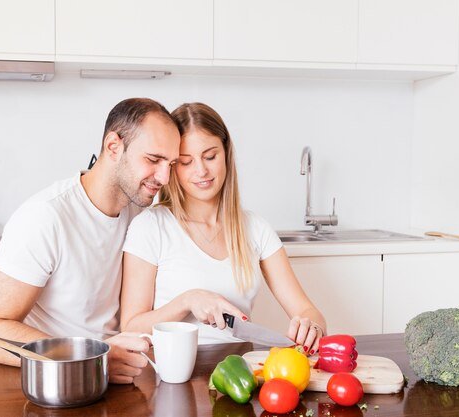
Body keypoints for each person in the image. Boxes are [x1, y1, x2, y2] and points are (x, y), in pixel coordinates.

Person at [0, 98, 181, 383]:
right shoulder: (46, 216)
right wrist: (93, 358)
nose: (165, 177)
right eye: (153, 160)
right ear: (113, 147)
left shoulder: (140, 214)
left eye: (171, 164)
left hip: (118, 380)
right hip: (55, 384)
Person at [120, 102, 326, 352]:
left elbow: (307, 310)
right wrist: (188, 300)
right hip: (171, 375)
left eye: (210, 156)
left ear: (226, 154)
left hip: (238, 373)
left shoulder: (255, 228)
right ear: (172, 166)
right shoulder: (150, 227)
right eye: (186, 162)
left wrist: (312, 326)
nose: (201, 170)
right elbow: (130, 327)